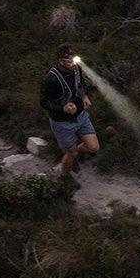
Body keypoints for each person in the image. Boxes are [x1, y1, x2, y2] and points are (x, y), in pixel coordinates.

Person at [39, 43, 99, 190]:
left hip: (81, 116)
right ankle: (64, 176)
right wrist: (63, 108)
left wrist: (84, 96)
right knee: (70, 153)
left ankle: (72, 154)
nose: (72, 64)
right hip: (62, 122)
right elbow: (44, 102)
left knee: (93, 147)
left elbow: (81, 85)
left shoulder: (77, 68)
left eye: (73, 60)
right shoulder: (51, 78)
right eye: (68, 61)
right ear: (60, 61)